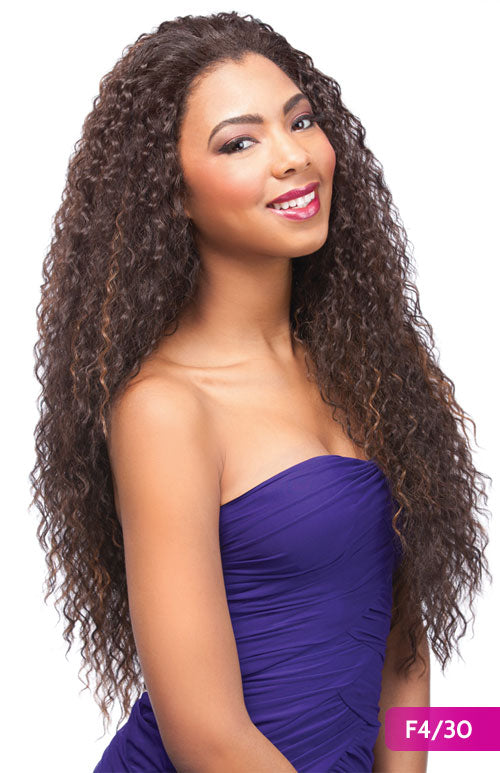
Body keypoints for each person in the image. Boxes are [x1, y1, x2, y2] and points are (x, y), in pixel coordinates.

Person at [30, 11, 491, 773]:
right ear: (171, 193)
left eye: (301, 121)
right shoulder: (164, 408)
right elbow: (206, 738)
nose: (293, 156)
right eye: (239, 142)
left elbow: (404, 646)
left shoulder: (382, 371)